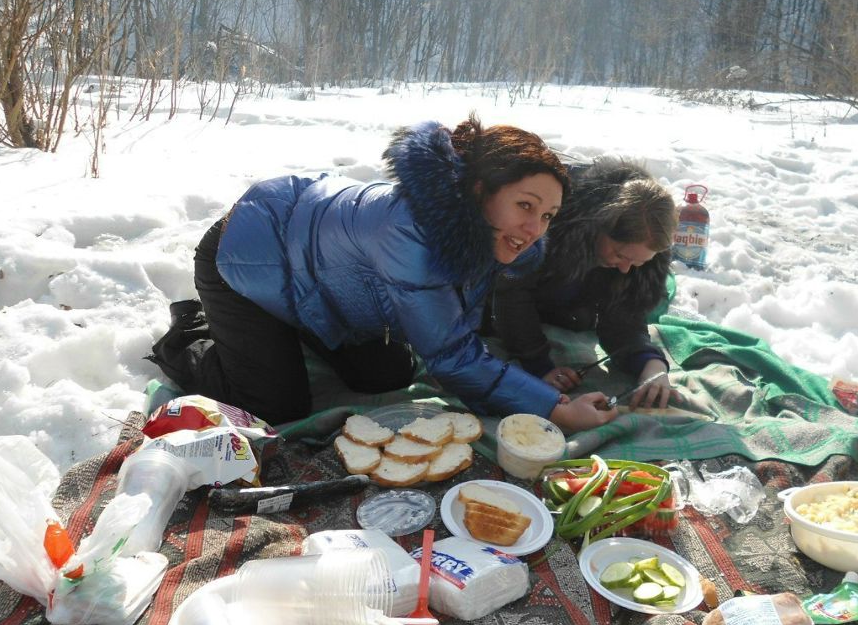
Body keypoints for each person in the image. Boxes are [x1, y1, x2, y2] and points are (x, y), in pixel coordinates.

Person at [149, 115, 616, 431]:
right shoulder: (411, 233)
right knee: (279, 406)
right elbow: (453, 356)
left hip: (314, 269)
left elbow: (458, 326)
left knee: (387, 374)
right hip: (246, 254)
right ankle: (190, 333)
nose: (535, 229)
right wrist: (557, 410)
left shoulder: (477, 228)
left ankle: (289, 331)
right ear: (479, 189)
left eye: (548, 216)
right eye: (525, 206)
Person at [489, 158, 680, 408]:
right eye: (620, 255)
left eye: (638, 263)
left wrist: (650, 364)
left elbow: (625, 314)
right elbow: (510, 289)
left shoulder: (631, 259)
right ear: (599, 227)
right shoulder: (548, 221)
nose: (625, 268)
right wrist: (538, 364)